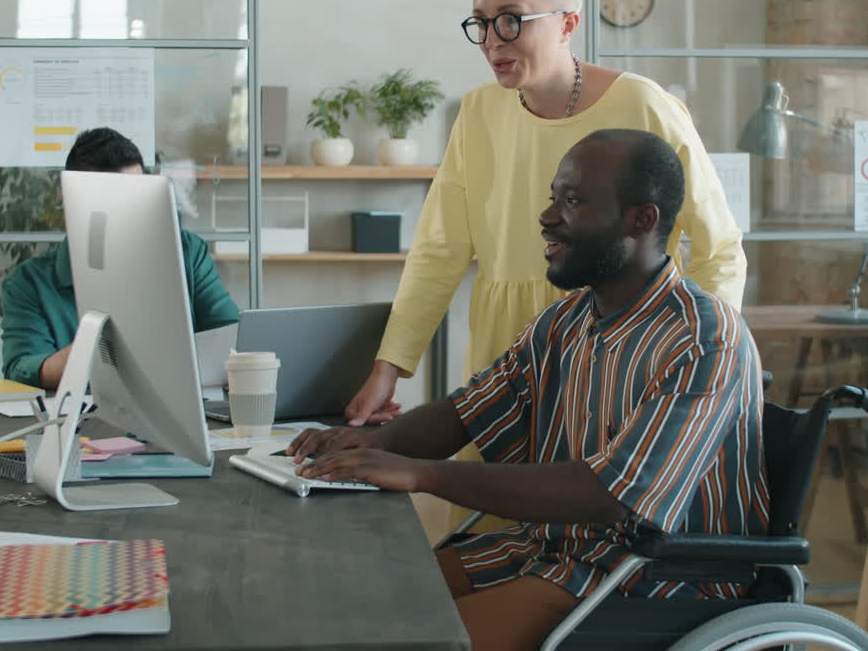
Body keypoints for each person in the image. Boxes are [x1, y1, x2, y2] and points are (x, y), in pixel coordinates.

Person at [288, 130, 767, 650]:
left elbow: (612, 497)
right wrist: (372, 443)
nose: (547, 216)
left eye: (573, 200)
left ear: (641, 220)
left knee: (410, 638)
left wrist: (422, 474)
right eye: (553, 197)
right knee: (352, 603)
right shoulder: (564, 321)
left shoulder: (702, 339)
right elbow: (467, 413)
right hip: (547, 552)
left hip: (648, 581)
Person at [348, 0, 747, 532]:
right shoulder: (480, 112)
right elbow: (439, 250)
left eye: (511, 20)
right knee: (489, 530)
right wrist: (389, 366)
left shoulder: (643, 104)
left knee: (591, 531)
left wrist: (704, 367)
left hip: (622, 354)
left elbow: (718, 249)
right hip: (508, 352)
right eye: (481, 23)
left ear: (568, 23)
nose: (491, 40)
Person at [0, 127, 239, 390]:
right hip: (85, 421)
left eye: (136, 195)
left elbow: (230, 335)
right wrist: (100, 352)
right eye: (112, 199)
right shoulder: (30, 283)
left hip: (178, 409)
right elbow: (23, 368)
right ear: (68, 200)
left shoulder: (186, 252)